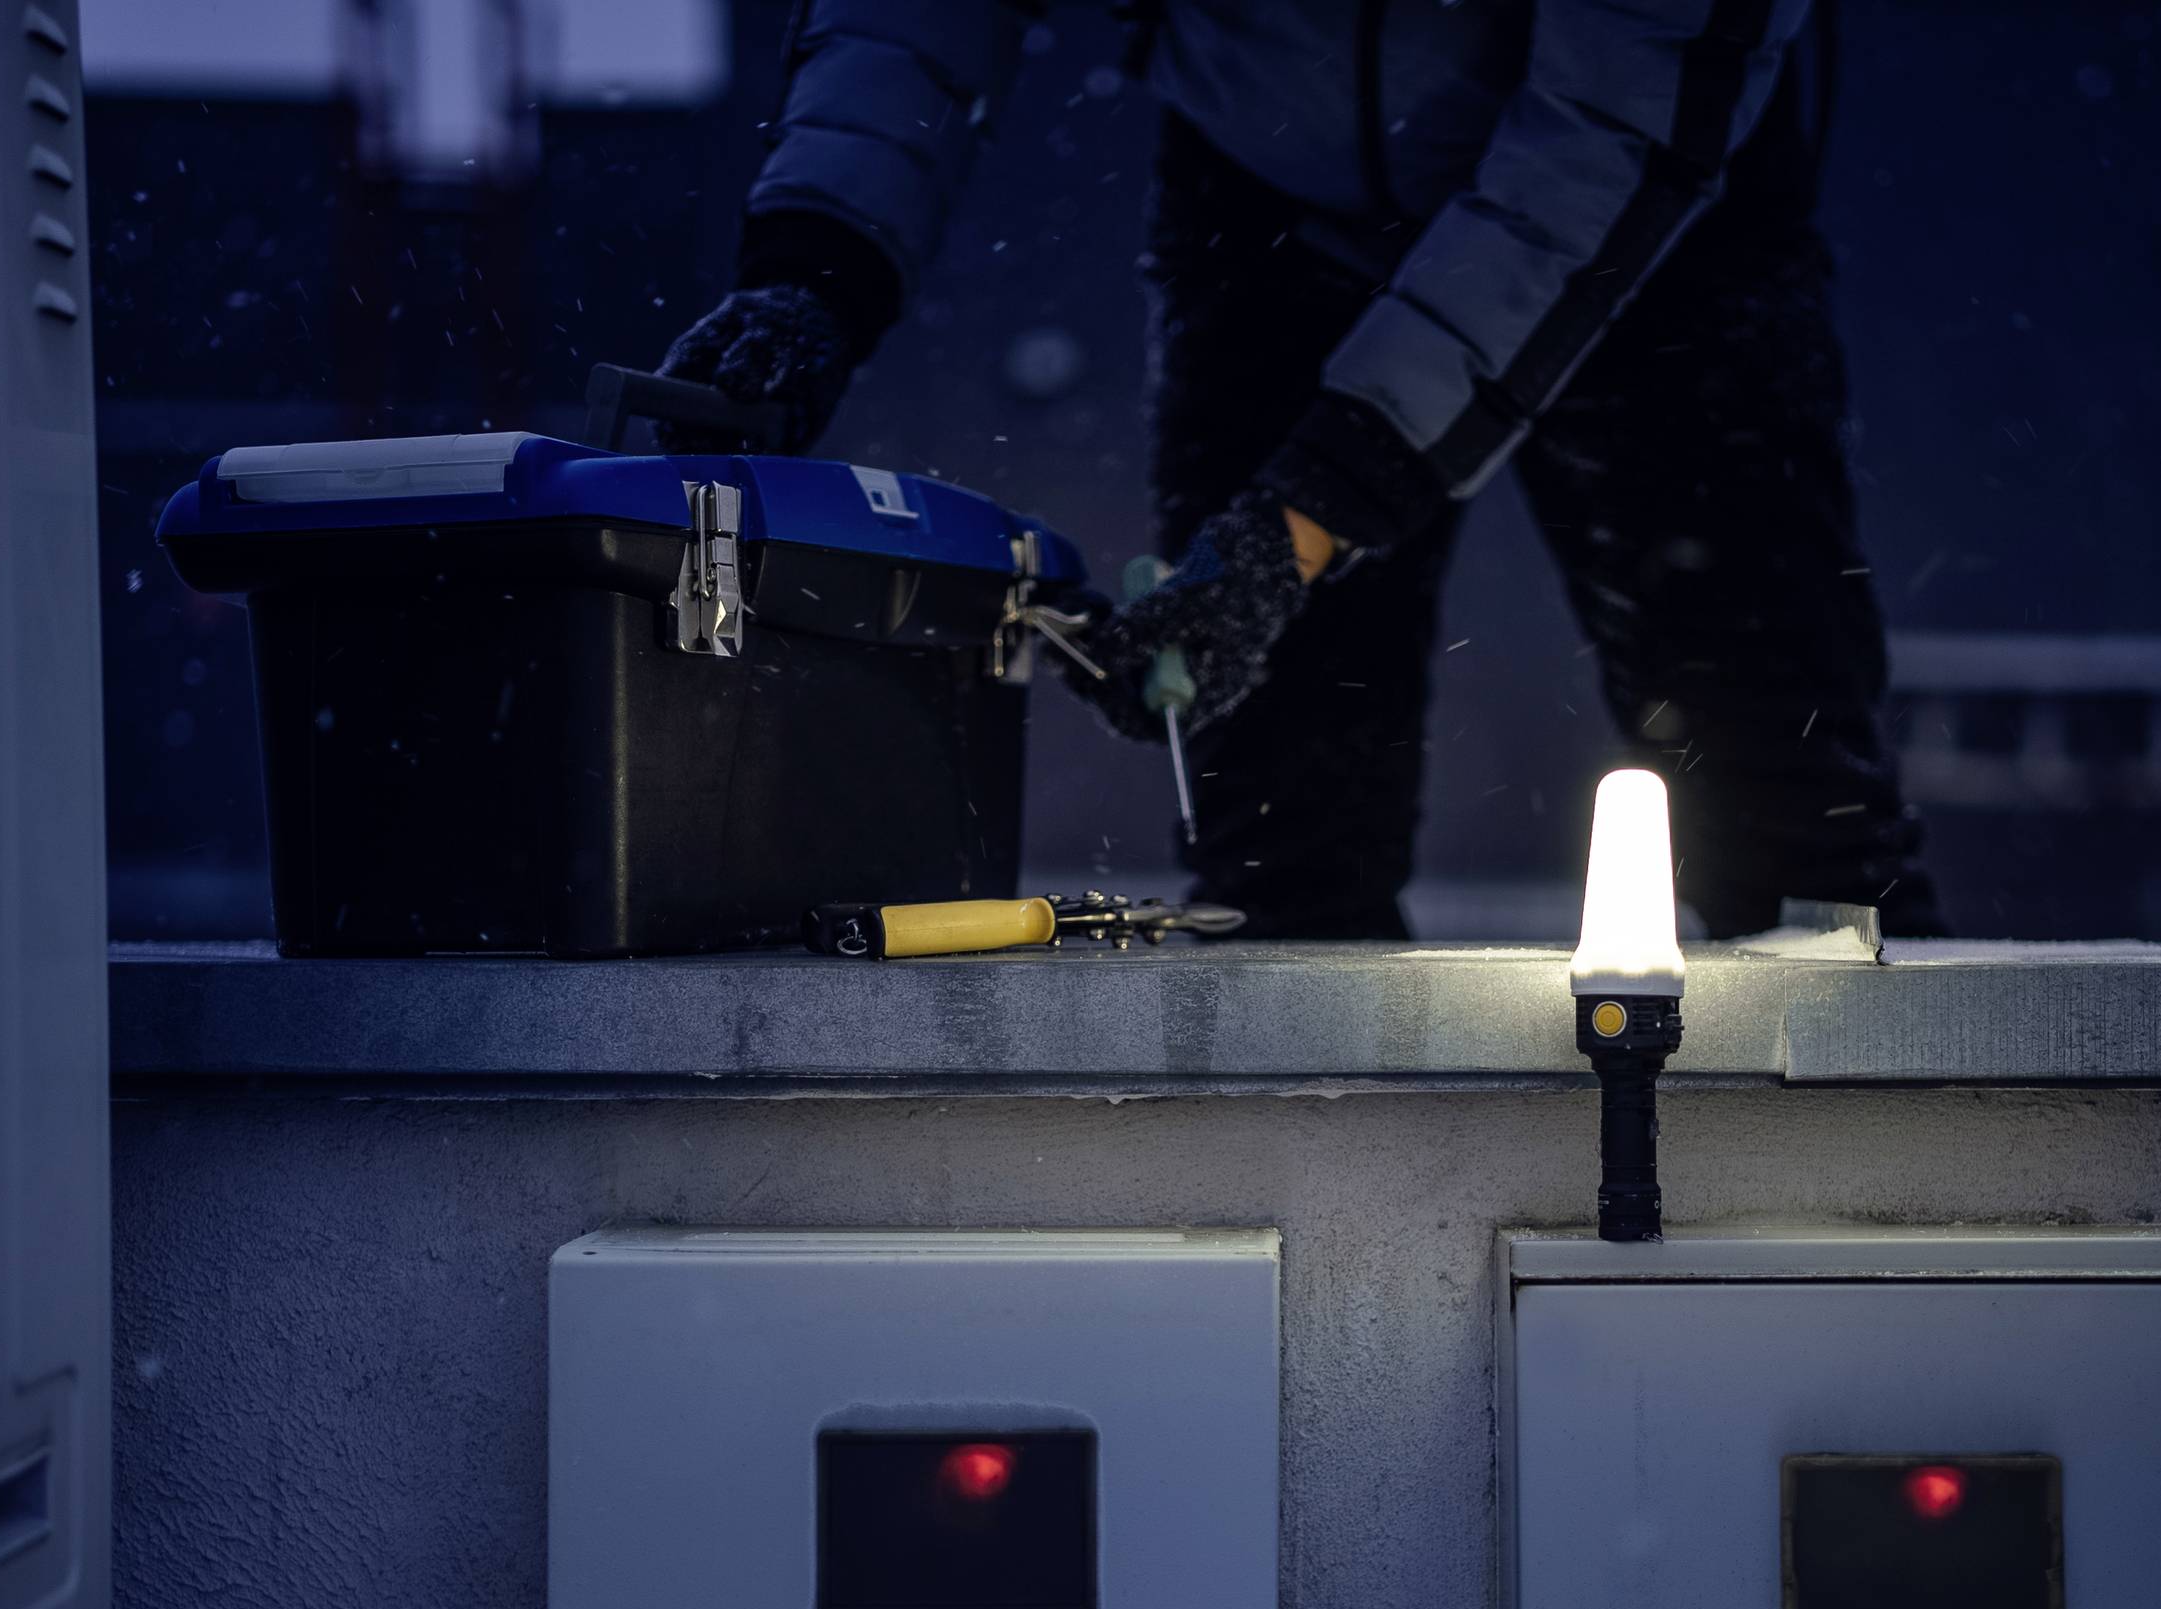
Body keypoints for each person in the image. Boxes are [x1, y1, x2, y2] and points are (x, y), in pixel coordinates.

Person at [660, 0, 1942, 938]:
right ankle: (1316, 1236)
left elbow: (1603, 141)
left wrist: (1305, 518)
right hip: (1267, 175)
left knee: (1781, 769)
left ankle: (1877, 1206)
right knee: (1279, 822)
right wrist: (814, 270)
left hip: (1657, 199)